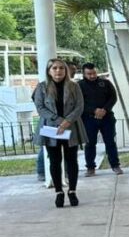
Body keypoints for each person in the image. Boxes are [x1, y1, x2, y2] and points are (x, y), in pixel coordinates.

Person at [33, 59, 86, 207]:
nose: (58, 71)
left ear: (66, 70)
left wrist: (67, 121)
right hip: (51, 128)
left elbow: (80, 106)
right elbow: (40, 108)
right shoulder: (42, 87)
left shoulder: (74, 86)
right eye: (54, 68)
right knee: (54, 161)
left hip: (71, 127)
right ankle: (59, 192)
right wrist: (59, 121)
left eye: (61, 68)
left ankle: (72, 191)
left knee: (72, 160)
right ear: (49, 71)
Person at [78, 63, 122, 176]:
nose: (92, 76)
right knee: (90, 144)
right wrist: (94, 110)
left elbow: (113, 97)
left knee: (110, 142)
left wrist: (104, 110)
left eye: (94, 73)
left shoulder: (105, 83)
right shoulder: (79, 86)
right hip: (88, 119)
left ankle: (115, 165)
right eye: (89, 74)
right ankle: (90, 168)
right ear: (84, 73)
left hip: (107, 117)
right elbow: (79, 102)